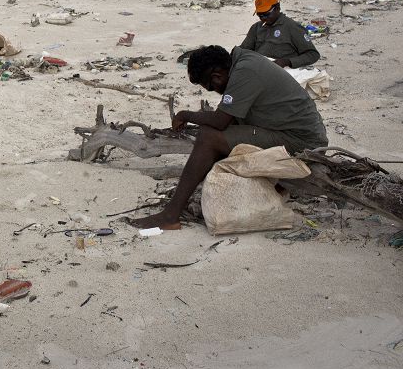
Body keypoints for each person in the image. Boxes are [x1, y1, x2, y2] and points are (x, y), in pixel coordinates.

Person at [131, 45, 327, 231]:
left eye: (211, 87)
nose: (215, 91)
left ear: (216, 77)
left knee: (208, 137)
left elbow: (220, 121)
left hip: (302, 142)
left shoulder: (246, 72)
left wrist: (185, 115)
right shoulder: (242, 61)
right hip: (289, 130)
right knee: (216, 133)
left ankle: (170, 216)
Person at [239, 0, 320, 68]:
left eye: (266, 14)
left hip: (283, 71)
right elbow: (244, 49)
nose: (263, 18)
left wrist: (287, 62)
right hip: (260, 67)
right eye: (260, 15)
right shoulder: (256, 27)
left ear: (277, 8)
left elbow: (313, 54)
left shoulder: (292, 27)